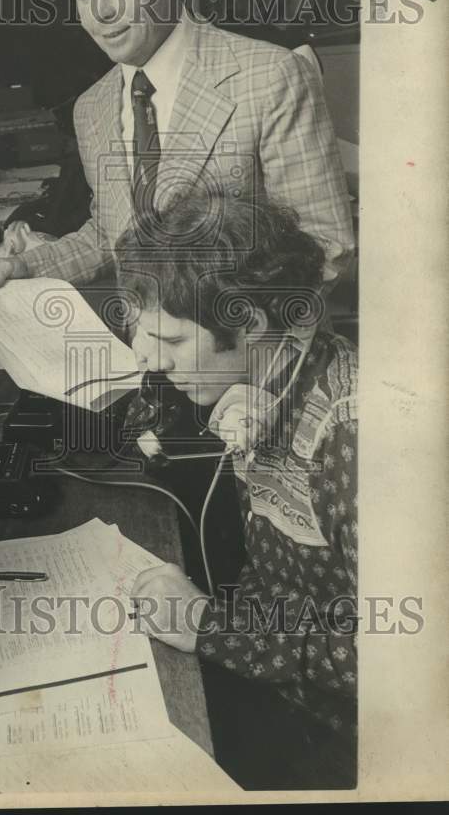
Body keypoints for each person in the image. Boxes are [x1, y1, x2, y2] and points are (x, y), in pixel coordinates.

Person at [0, 0, 353, 291]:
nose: (100, 12)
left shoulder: (272, 76)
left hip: (247, 348)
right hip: (142, 352)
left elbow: (324, 247)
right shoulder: (92, 108)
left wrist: (209, 338)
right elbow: (113, 236)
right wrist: (32, 268)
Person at [117, 188, 357, 789]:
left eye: (169, 342)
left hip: (340, 737)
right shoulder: (269, 375)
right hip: (274, 673)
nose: (150, 361)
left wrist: (209, 626)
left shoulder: (352, 442)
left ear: (248, 324)